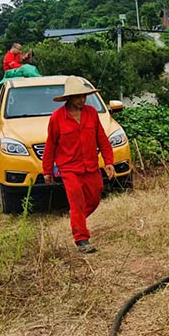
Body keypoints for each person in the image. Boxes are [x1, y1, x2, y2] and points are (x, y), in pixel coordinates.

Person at [42, 76, 115, 253]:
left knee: (95, 197)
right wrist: (47, 170)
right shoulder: (57, 118)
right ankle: (81, 239)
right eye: (77, 97)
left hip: (90, 166)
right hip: (69, 168)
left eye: (84, 96)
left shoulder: (91, 113)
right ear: (69, 98)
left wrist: (109, 162)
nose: (82, 100)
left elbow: (102, 139)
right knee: (77, 202)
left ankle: (76, 219)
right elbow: (50, 144)